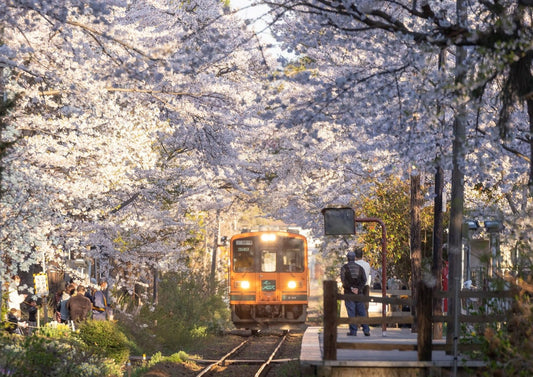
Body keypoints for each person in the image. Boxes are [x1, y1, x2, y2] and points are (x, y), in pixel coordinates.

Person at [340, 250, 370, 336]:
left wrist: (351, 288)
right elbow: (364, 279)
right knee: (362, 312)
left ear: (348, 258)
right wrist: (358, 289)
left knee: (351, 312)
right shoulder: (360, 268)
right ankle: (366, 330)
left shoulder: (344, 268)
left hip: (349, 293)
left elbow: (343, 280)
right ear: (354, 258)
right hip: (359, 293)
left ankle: (353, 331)